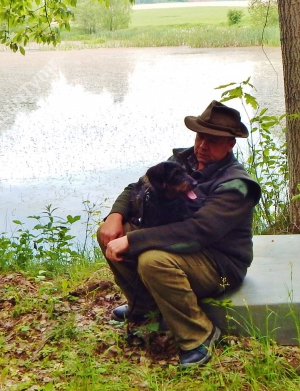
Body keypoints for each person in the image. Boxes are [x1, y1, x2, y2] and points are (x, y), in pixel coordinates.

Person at [97, 100, 261, 368]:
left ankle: (199, 335)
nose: (202, 146)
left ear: (231, 144)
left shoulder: (236, 184)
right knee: (112, 235)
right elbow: (137, 187)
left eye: (213, 141)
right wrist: (115, 216)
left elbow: (199, 231)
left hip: (220, 265)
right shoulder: (182, 161)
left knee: (153, 260)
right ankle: (146, 309)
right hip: (184, 248)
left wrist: (134, 240)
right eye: (200, 137)